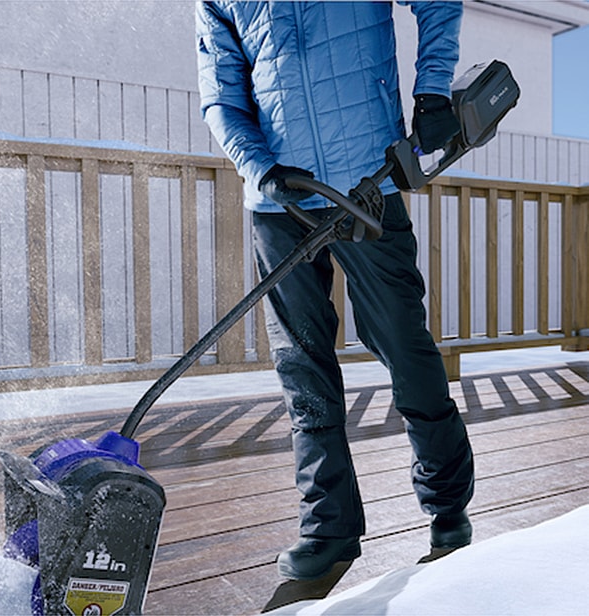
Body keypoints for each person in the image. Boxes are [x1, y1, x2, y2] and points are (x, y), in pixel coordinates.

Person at [195, 0, 475, 586]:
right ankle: (328, 530)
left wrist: (432, 93)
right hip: (279, 201)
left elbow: (438, 4)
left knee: (403, 343)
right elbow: (222, 94)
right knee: (302, 367)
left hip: (364, 184)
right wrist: (260, 169)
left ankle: (448, 509)